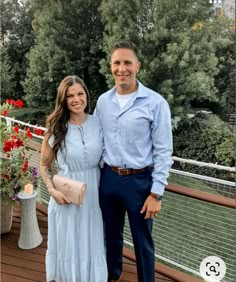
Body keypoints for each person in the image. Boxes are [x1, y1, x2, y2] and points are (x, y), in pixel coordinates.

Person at [94, 40, 173, 282]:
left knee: (142, 242)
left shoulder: (156, 103)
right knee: (110, 235)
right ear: (111, 67)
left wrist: (156, 193)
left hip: (140, 182)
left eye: (127, 62)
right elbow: (95, 138)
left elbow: (163, 150)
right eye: (117, 63)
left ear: (137, 66)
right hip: (108, 179)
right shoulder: (102, 102)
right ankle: (112, 274)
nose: (122, 68)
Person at [40, 75, 108, 282]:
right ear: (63, 100)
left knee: (91, 241)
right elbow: (44, 166)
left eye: (80, 93)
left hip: (93, 194)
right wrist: (52, 191)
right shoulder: (56, 128)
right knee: (69, 245)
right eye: (70, 96)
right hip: (66, 195)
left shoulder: (98, 123)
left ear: (87, 95)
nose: (76, 99)